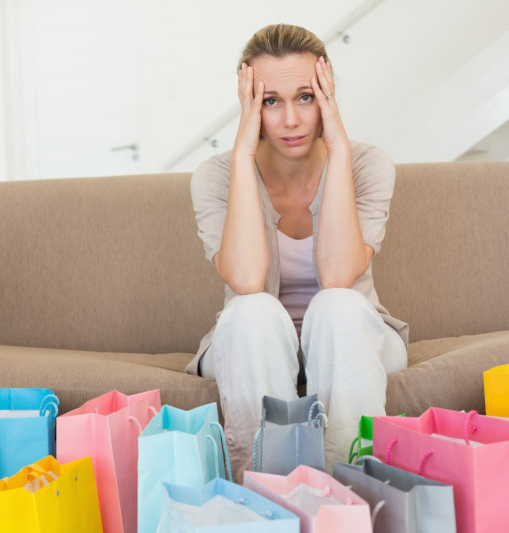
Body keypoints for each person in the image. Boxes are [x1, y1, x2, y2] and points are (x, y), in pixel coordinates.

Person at [186, 23, 408, 478]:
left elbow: (338, 275)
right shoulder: (216, 176)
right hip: (252, 343)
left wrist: (339, 151)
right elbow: (246, 280)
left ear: (328, 97)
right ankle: (266, 492)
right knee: (253, 311)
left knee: (338, 306)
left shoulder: (367, 164)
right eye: (270, 101)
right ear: (249, 105)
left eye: (306, 97)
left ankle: (350, 495)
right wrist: (244, 157)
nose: (290, 120)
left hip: (353, 336)